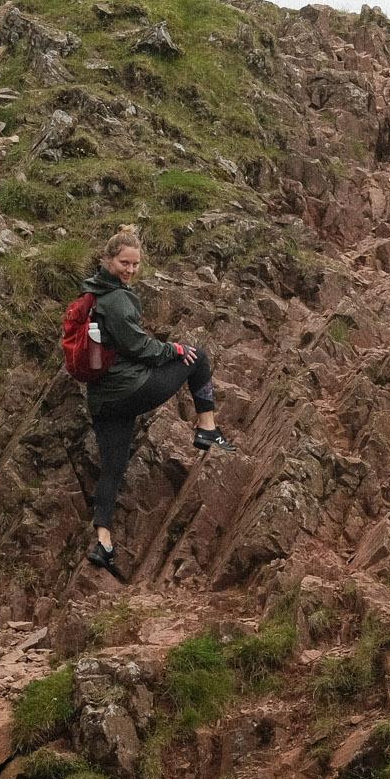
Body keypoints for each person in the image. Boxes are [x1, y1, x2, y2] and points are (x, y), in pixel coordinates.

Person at [78, 228, 232, 576]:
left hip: (102, 401)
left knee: (112, 467)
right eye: (124, 263)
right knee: (198, 358)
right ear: (108, 259)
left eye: (135, 264)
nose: (130, 270)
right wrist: (174, 349)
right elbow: (139, 347)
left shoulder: (92, 293)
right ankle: (207, 428)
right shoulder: (117, 299)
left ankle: (103, 542)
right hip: (130, 390)